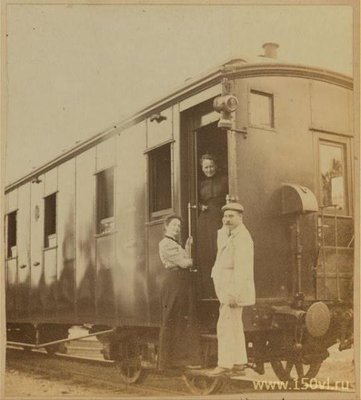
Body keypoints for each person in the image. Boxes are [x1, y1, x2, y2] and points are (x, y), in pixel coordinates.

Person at [209, 202, 255, 376]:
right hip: (226, 286)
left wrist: (234, 292)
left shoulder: (242, 238)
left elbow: (243, 268)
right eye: (225, 216)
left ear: (240, 218)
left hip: (233, 288)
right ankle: (238, 362)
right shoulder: (228, 234)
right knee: (234, 325)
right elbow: (222, 239)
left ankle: (225, 364)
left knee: (226, 326)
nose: (227, 220)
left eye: (231, 216)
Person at [158, 215, 201, 370]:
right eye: (174, 225)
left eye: (178, 226)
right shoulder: (165, 244)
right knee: (176, 319)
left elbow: (185, 260)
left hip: (180, 282)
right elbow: (184, 263)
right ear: (166, 226)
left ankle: (183, 358)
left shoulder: (174, 244)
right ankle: (175, 360)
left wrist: (188, 248)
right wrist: (191, 258)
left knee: (183, 318)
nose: (177, 228)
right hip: (175, 282)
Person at [197, 154, 228, 298]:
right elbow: (195, 200)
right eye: (205, 167)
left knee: (219, 250)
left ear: (215, 166)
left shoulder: (225, 179)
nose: (208, 169)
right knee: (206, 253)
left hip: (219, 216)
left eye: (211, 166)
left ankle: (223, 290)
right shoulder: (201, 184)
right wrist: (200, 206)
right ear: (202, 168)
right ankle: (210, 292)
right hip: (205, 218)